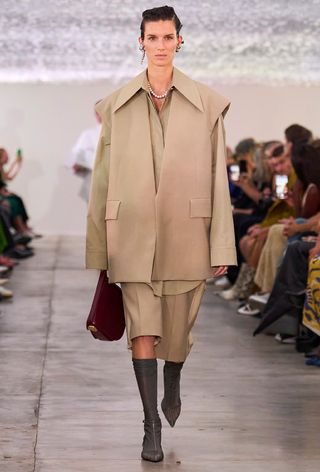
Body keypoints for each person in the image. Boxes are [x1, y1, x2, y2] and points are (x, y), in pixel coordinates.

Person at [86, 6, 236, 463]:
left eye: (168, 37)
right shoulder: (115, 105)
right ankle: (150, 424)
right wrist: (99, 246)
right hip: (130, 234)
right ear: (141, 42)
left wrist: (222, 241)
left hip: (187, 233)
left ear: (179, 41)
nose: (161, 44)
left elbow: (217, 177)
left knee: (177, 332)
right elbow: (103, 177)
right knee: (142, 330)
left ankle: (174, 375)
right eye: (153, 37)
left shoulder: (207, 103)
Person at [68, 106, 102, 202]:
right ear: (96, 115)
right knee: (96, 214)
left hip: (116, 179)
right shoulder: (88, 134)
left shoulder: (120, 132)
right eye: (98, 112)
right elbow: (74, 160)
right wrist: (79, 164)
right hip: (94, 179)